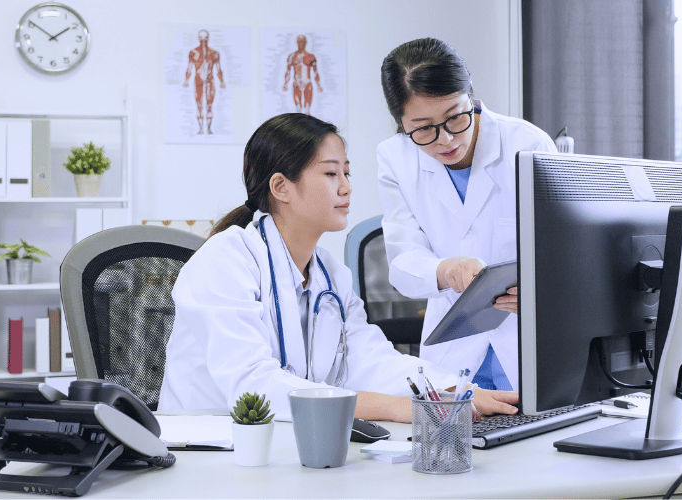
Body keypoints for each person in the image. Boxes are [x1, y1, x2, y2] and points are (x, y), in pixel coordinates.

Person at [159, 113, 518, 422]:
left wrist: (455, 389)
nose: (346, 187)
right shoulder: (226, 260)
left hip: (287, 447)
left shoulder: (331, 274)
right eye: (331, 174)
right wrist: (397, 407)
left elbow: (370, 359)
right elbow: (254, 386)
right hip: (208, 452)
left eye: (346, 173)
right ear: (281, 187)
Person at [377, 38, 557, 392]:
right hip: (453, 356)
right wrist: (444, 270)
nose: (445, 139)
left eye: (455, 117)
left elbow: (566, 249)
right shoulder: (395, 158)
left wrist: (542, 286)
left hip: (526, 344)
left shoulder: (528, 145)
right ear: (400, 121)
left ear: (470, 96)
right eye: (423, 127)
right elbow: (403, 259)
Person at [183, 29, 226, 135]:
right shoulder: (193, 53)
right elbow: (189, 69)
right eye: (201, 39)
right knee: (199, 104)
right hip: (198, 81)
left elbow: (218, 69)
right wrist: (186, 80)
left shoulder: (214, 53)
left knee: (209, 105)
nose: (203, 42)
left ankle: (209, 129)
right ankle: (201, 129)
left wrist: (221, 81)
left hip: (210, 82)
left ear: (208, 39)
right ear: (199, 39)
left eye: (205, 40)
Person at [282, 35, 323, 115]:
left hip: (307, 82)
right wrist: (285, 84)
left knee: (307, 110)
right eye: (299, 42)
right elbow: (288, 71)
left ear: (306, 43)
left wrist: (318, 86)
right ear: (297, 43)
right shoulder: (292, 56)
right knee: (298, 110)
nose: (301, 44)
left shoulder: (311, 56)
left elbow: (315, 72)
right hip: (296, 83)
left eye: (303, 42)